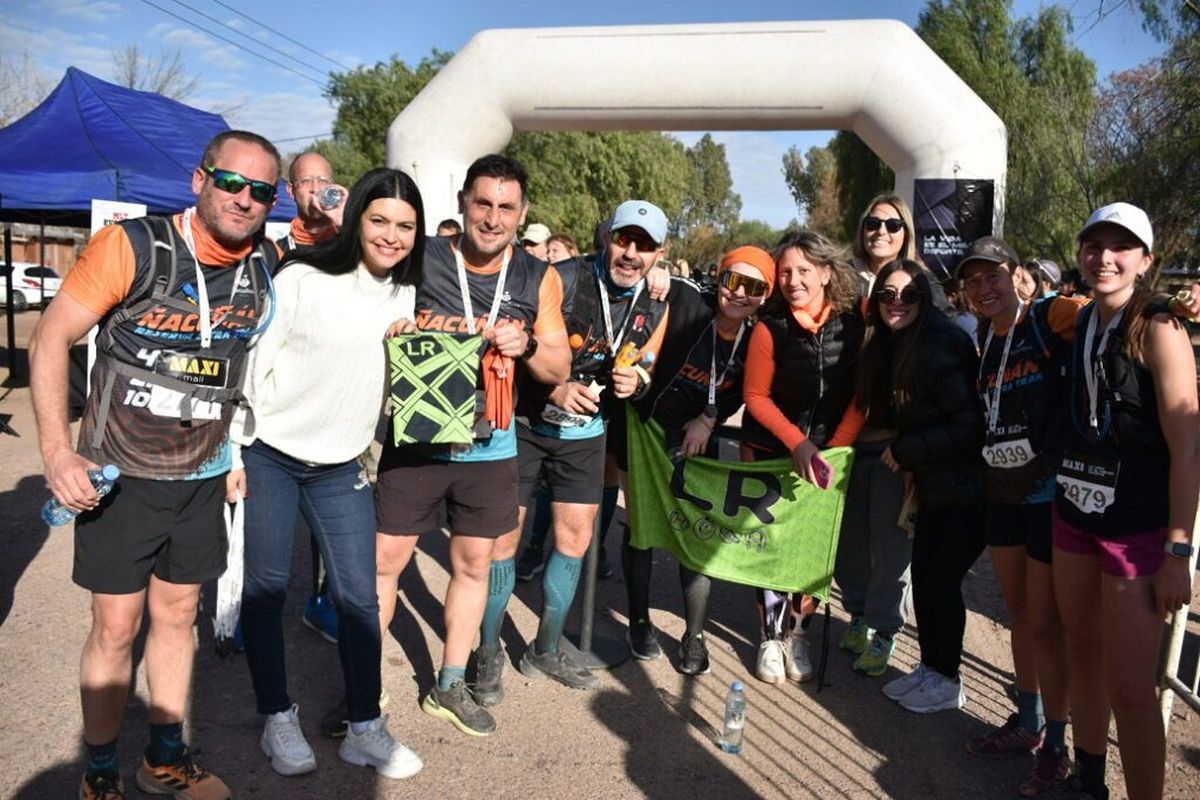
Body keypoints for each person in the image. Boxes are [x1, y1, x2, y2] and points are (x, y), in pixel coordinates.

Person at [30, 130, 282, 800]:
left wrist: (232, 454)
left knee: (177, 618)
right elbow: (52, 336)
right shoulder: (134, 246)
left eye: (262, 190)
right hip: (122, 476)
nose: (246, 199)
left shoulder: (267, 263)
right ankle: (102, 772)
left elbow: (240, 370)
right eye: (232, 182)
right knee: (116, 628)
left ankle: (164, 760)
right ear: (200, 180)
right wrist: (57, 451)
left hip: (200, 479)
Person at [229, 169, 426, 780]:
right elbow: (250, 366)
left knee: (360, 598)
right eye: (380, 220)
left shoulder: (408, 298)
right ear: (356, 218)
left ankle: (364, 727)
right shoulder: (302, 278)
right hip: (272, 454)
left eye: (405, 226)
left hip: (341, 466)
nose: (392, 236)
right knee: (265, 592)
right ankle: (276, 718)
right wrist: (233, 454)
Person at [373, 154, 570, 738]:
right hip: (418, 441)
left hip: (492, 446)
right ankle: (364, 686)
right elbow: (368, 308)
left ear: (523, 213)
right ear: (462, 203)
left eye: (506, 207)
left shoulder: (538, 276)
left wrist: (528, 342)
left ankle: (450, 682)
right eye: (482, 203)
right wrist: (395, 328)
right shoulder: (423, 257)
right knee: (385, 564)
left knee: (473, 564)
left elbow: (559, 364)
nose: (492, 218)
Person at [475, 200, 671, 701]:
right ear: (607, 236)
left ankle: (543, 646)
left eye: (645, 246)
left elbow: (648, 360)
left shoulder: (657, 300)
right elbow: (510, 345)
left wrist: (638, 381)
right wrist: (555, 388)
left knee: (576, 538)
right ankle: (487, 651)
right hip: (524, 420)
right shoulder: (560, 276)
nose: (631, 253)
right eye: (624, 239)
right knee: (503, 543)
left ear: (659, 253)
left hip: (586, 435)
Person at [1051, 203, 1199, 800]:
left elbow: (1189, 449)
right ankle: (1088, 780)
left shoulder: (1160, 327)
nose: (1104, 256)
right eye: (1094, 244)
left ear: (1146, 260)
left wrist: (1177, 552)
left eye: (1121, 246)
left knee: (1132, 689)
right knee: (1083, 652)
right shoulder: (1079, 318)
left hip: (1136, 530)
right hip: (1074, 513)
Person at [955, 236, 1082, 795]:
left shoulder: (1048, 317)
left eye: (993, 277)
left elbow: (1106, 319)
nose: (984, 289)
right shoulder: (985, 337)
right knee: (1020, 612)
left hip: (1049, 492)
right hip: (1002, 490)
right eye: (974, 282)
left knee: (1047, 622)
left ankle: (1058, 741)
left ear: (1017, 275)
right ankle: (1027, 721)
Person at [623, 245, 772, 674]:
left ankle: (695, 636)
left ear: (765, 295)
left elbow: (749, 394)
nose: (740, 293)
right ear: (719, 279)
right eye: (733, 280)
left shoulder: (759, 338)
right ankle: (638, 623)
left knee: (695, 533)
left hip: (698, 437)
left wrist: (710, 417)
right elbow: (659, 281)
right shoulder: (690, 300)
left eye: (755, 286)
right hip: (646, 427)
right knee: (641, 527)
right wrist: (659, 271)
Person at [857, 260, 985, 714]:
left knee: (941, 581)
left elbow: (971, 426)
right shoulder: (897, 342)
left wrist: (910, 449)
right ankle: (934, 669)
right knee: (929, 579)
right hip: (937, 483)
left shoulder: (940, 344)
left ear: (924, 299)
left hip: (967, 486)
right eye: (888, 294)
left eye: (908, 294)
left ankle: (947, 680)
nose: (897, 303)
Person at [741, 230, 864, 684]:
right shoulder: (769, 327)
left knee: (813, 551)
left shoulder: (854, 325)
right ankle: (770, 636)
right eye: (786, 272)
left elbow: (860, 395)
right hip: (771, 452)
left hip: (828, 456)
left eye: (804, 271)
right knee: (770, 547)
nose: (793, 280)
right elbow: (755, 396)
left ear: (827, 274)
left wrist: (834, 450)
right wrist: (799, 444)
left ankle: (799, 634)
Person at [277, 149, 349, 644]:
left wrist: (342, 218)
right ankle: (247, 607)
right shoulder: (272, 247)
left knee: (333, 523)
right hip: (282, 404)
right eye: (306, 182)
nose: (316, 189)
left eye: (325, 180)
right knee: (270, 517)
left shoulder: (352, 242)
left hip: (339, 403)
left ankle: (323, 602)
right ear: (290, 191)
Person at [851, 193, 951, 310]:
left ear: (906, 235)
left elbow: (948, 319)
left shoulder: (923, 282)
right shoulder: (842, 276)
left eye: (893, 225)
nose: (881, 231)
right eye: (873, 223)